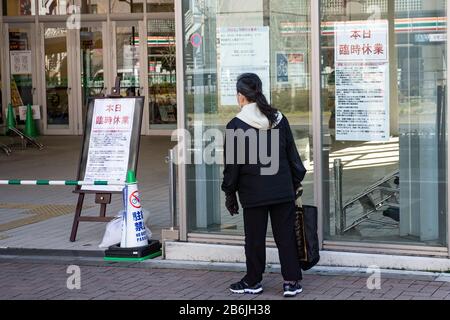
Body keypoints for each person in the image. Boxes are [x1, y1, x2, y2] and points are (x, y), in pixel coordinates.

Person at [222, 73, 307, 298]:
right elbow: (293, 156)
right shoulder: (279, 119)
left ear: (241, 97)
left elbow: (233, 166)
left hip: (253, 192)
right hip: (282, 189)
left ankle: (253, 280)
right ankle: (291, 282)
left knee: (255, 239)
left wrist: (229, 192)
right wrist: (296, 182)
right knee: (285, 236)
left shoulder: (236, 125)